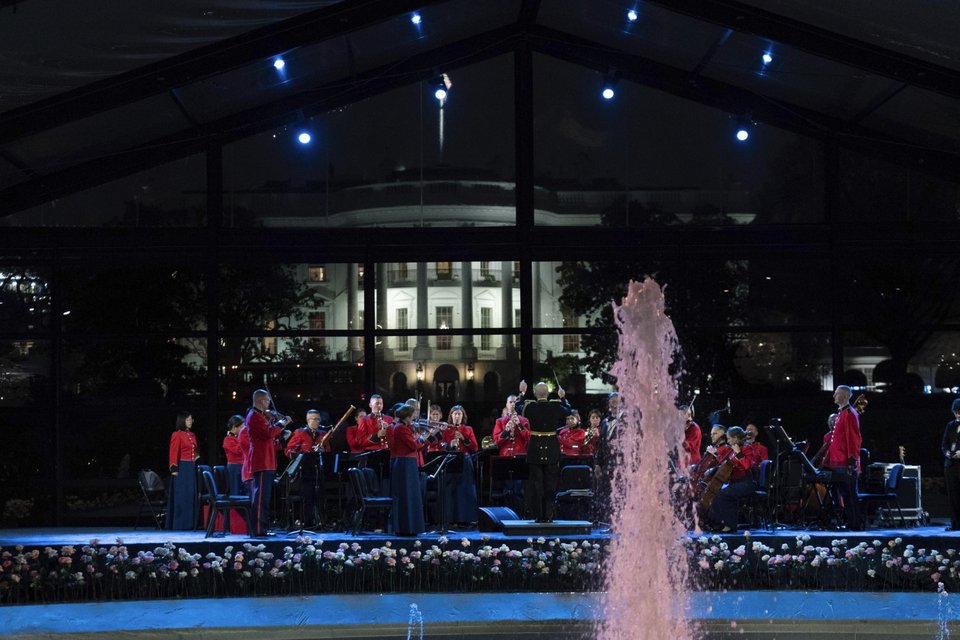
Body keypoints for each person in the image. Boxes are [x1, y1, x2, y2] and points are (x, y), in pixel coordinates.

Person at [518, 379, 571, 522]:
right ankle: (548, 516)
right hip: (551, 448)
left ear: (535, 394)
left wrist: (522, 392)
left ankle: (539, 516)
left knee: (536, 484)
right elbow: (568, 411)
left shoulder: (530, 406)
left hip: (535, 448)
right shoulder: (555, 406)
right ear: (548, 393)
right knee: (551, 484)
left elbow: (517, 406)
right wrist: (562, 397)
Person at [245, 389, 292, 536]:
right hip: (261, 461)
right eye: (267, 400)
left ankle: (263, 528)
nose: (269, 403)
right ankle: (258, 530)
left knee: (265, 499)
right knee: (260, 499)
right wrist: (280, 423)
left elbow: (271, 439)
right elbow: (268, 433)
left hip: (268, 461)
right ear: (260, 400)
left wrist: (281, 432)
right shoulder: (254, 417)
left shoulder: (262, 417)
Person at [705, 426, 760, 532]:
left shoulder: (747, 449)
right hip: (735, 482)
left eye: (729, 438)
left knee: (724, 495)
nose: (728, 440)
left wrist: (738, 452)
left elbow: (747, 466)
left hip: (746, 482)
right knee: (716, 494)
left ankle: (730, 526)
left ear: (735, 438)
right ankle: (719, 523)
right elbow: (725, 465)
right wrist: (715, 454)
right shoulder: (731, 450)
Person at [823, 385, 863, 529]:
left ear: (845, 396)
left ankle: (854, 524)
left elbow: (853, 440)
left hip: (844, 463)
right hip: (837, 462)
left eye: (837, 394)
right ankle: (850, 522)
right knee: (845, 494)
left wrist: (851, 463)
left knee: (850, 494)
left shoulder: (849, 414)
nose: (834, 396)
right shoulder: (842, 413)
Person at [433, 404, 478, 527]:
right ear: (451, 416)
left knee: (464, 490)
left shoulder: (468, 429)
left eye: (459, 414)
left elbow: (474, 447)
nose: (457, 416)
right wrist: (448, 445)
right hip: (450, 459)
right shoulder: (447, 429)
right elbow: (440, 444)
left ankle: (464, 519)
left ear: (462, 416)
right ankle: (450, 518)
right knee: (450, 489)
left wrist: (463, 438)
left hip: (464, 460)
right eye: (455, 414)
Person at [386, 404, 427, 536]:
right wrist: (424, 438)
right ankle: (406, 527)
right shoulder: (400, 429)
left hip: (408, 462)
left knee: (411, 495)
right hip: (404, 463)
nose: (414, 418)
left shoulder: (405, 428)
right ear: (407, 416)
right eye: (412, 415)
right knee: (406, 496)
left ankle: (411, 527)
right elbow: (413, 445)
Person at [285, 409, 328, 528]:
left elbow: (328, 450)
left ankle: (320, 522)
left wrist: (323, 451)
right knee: (307, 498)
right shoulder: (299, 432)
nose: (316, 421)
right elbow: (288, 450)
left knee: (320, 497)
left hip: (319, 471)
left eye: (318, 419)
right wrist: (301, 453)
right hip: (304, 471)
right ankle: (307, 523)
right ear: (307, 420)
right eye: (313, 419)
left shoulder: (323, 434)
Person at [166, 411, 199, 530]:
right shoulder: (177, 434)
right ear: (182, 421)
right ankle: (180, 524)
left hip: (190, 467)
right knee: (181, 495)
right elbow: (173, 452)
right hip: (182, 467)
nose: (191, 422)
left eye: (191, 419)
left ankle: (190, 524)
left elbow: (195, 451)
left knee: (190, 495)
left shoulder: (192, 435)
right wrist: (174, 468)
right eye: (188, 420)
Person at [221, 414, 247, 534]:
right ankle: (235, 526)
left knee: (245, 494)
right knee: (235, 494)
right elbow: (238, 451)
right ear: (235, 427)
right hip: (234, 469)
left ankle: (245, 525)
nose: (244, 427)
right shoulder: (228, 439)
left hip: (243, 467)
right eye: (242, 426)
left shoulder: (239, 438)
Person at [940, 398, 960, 531]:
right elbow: (944, 444)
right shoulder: (950, 425)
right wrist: (947, 452)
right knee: (953, 495)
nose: (957, 415)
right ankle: (955, 524)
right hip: (951, 465)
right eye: (956, 412)